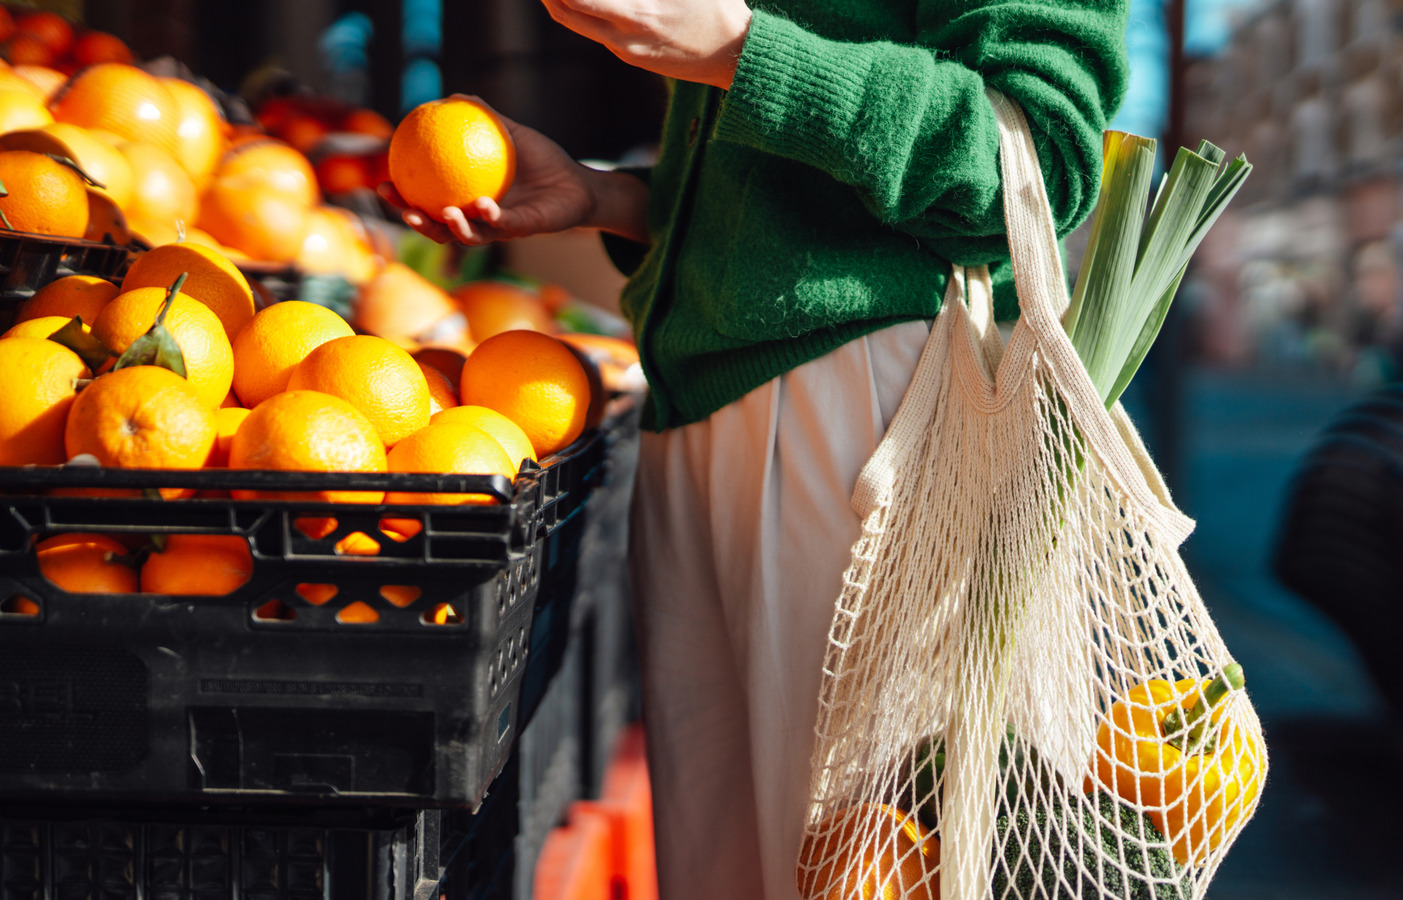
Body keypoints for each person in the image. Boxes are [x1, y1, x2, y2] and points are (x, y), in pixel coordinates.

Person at [383, 1, 1129, 896]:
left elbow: (1035, 164)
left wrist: (745, 51)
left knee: (873, 862)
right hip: (709, 414)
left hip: (870, 416)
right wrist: (607, 196)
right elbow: (781, 204)